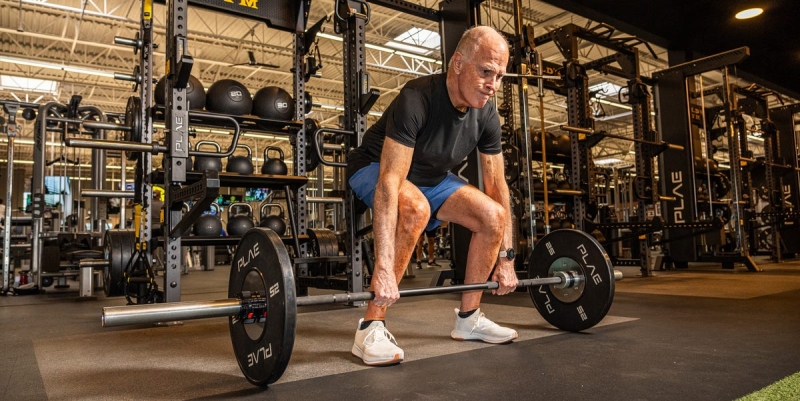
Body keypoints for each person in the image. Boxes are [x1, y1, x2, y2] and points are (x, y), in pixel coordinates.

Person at [347, 26, 518, 366]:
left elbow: (497, 186)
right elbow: (389, 182)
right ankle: (371, 326)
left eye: (499, 76)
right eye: (486, 71)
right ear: (458, 63)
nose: (493, 85)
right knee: (414, 209)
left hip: (433, 178)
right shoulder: (417, 98)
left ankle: (469, 320)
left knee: (492, 216)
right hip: (374, 168)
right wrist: (381, 266)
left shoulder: (486, 113)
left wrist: (507, 258)